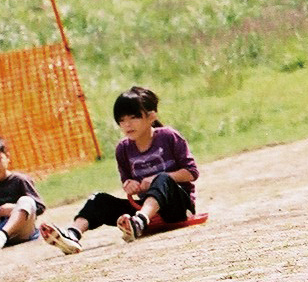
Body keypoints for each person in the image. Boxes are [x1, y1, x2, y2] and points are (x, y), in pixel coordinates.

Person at [40, 87, 199, 254]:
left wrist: (157, 179)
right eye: (122, 120)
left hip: (177, 208)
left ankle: (139, 222)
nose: (127, 124)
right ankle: (72, 234)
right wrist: (130, 185)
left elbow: (191, 172)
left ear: (151, 116)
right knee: (99, 200)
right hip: (144, 208)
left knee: (162, 179)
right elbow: (128, 181)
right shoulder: (123, 149)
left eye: (133, 118)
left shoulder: (168, 137)